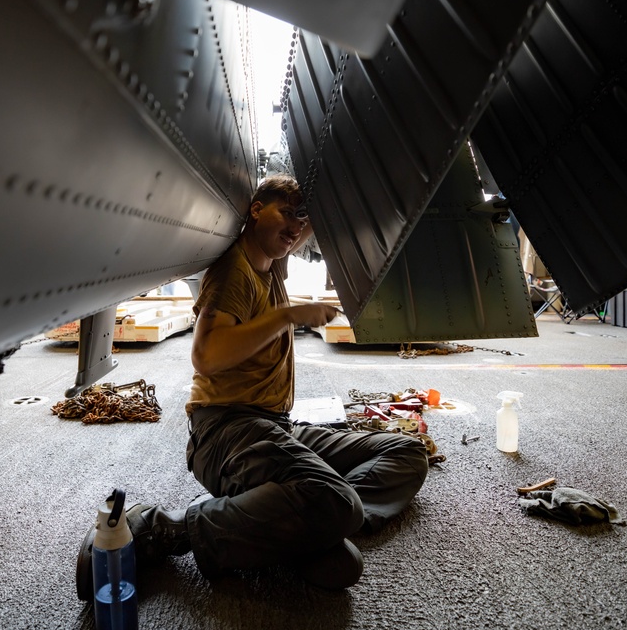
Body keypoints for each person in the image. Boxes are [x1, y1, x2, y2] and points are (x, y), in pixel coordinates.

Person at [117, 174, 429, 590]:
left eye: (301, 219)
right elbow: (205, 356)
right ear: (256, 210)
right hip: (227, 432)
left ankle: (311, 521)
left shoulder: (271, 261)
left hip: (278, 426)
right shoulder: (235, 272)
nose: (296, 228)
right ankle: (166, 528)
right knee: (336, 512)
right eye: (286, 213)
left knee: (406, 451)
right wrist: (289, 315)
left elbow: (298, 229)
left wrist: (319, 195)